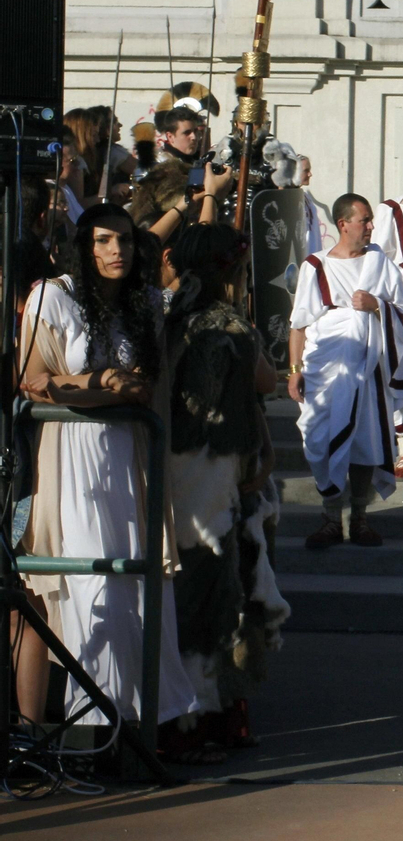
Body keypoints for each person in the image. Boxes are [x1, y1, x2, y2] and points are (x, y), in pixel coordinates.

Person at [18, 204, 201, 732]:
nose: (115, 250)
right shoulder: (54, 296)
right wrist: (104, 385)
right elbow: (35, 380)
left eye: (123, 239)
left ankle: (141, 728)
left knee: (137, 588)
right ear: (85, 245)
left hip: (131, 456)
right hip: (72, 459)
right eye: (102, 240)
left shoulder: (144, 302)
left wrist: (125, 386)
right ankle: (94, 728)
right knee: (92, 589)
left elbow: (149, 380)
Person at [159, 222, 286, 759]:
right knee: (216, 586)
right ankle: (202, 715)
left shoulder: (167, 317)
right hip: (209, 472)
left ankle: (200, 712)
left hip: (188, 467)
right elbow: (264, 382)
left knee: (206, 586)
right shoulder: (223, 324)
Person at [288, 193, 403, 550]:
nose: (371, 226)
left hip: (369, 371)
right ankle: (331, 518)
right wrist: (295, 369)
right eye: (364, 220)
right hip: (325, 368)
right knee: (318, 439)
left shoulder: (380, 263)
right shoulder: (315, 267)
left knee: (365, 442)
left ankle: (358, 518)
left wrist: (377, 305)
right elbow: (299, 324)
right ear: (343, 224)